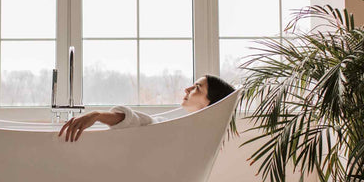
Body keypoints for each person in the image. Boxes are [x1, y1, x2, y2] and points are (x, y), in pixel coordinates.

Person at [58, 75, 235, 142]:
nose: (187, 89)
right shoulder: (185, 131)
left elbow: (144, 124)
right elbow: (149, 125)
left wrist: (97, 115)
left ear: (211, 103)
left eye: (197, 87)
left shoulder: (188, 135)